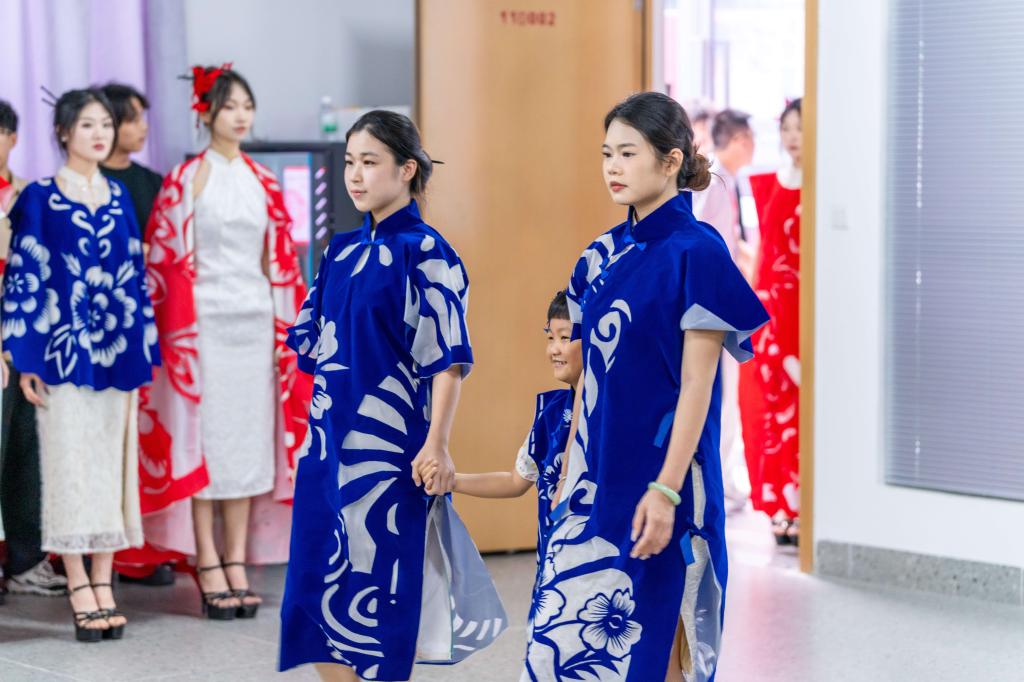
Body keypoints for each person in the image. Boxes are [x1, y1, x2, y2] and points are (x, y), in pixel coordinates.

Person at [523, 92, 768, 682]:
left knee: (653, 652)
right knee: (555, 650)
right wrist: (568, 473)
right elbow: (586, 379)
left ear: (670, 160)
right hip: (594, 479)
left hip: (668, 480)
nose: (612, 166)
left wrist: (665, 491)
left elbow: (698, 385)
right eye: (607, 153)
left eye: (628, 153)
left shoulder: (698, 252)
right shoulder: (598, 257)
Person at [279, 110, 504, 681]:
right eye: (350, 162)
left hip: (389, 457)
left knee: (379, 598)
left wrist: (438, 444)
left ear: (407, 170)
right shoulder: (339, 252)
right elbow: (313, 348)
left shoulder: (427, 252)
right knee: (312, 595)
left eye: (370, 162)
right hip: (326, 448)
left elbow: (448, 360)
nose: (355, 175)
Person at [140, 64, 311, 618]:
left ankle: (236, 558)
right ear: (206, 112)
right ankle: (207, 558)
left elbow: (280, 261)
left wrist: (287, 329)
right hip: (201, 329)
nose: (240, 116)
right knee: (204, 440)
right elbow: (164, 261)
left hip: (255, 323)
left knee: (247, 442)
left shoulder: (263, 181)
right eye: (230, 106)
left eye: (247, 106)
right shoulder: (185, 179)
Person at [1, 87, 160, 640]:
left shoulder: (119, 196)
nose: (100, 134)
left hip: (115, 355)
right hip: (60, 356)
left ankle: (104, 580)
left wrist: (142, 352)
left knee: (110, 469)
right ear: (63, 132)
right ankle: (77, 584)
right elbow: (26, 276)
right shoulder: (39, 197)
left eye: (106, 124)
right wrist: (25, 359)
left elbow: (134, 278)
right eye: (87, 124)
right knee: (68, 467)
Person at [453, 290, 581, 618]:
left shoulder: (610, 416)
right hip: (554, 568)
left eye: (565, 337)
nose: (554, 349)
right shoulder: (551, 414)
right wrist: (452, 481)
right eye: (550, 337)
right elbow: (516, 480)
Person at [0, 99, 65, 601]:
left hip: (23, 343)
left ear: (13, 138)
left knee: (26, 454)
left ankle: (25, 560)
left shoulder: (30, 196)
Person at [742, 98, 802, 545]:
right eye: (787, 128)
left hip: (804, 309)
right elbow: (763, 249)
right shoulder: (767, 184)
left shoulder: (825, 186)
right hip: (770, 310)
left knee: (800, 405)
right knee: (768, 406)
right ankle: (779, 505)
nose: (793, 137)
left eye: (800, 127)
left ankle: (803, 505)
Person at [692, 108, 757, 512]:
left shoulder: (727, 181)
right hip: (714, 304)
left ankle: (725, 482)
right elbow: (703, 237)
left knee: (726, 395)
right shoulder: (714, 181)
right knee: (720, 396)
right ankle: (719, 485)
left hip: (722, 299)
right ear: (739, 141)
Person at [100, 83, 163, 236]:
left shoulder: (153, 181)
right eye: (133, 120)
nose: (144, 127)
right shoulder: (88, 179)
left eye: (142, 118)